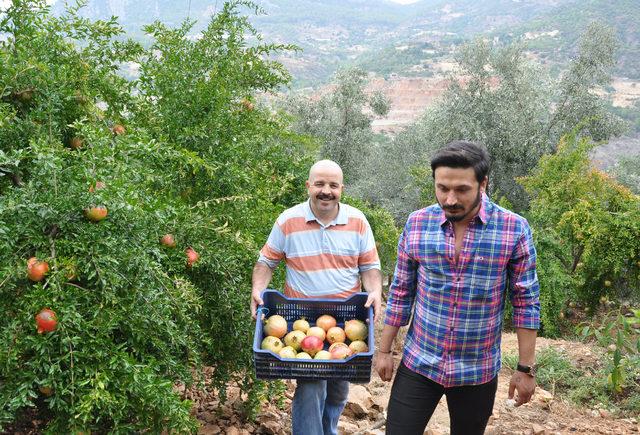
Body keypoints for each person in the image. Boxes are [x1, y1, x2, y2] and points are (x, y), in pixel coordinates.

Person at [375, 140, 540, 435]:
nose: (450, 199)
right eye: (442, 188)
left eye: (462, 189)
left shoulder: (514, 229)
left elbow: (525, 302)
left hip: (477, 370)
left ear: (483, 183)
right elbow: (401, 291)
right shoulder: (417, 224)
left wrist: (525, 368)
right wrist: (384, 350)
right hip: (419, 362)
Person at [251, 159, 383, 435]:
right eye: (320, 184)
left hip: (346, 322)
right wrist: (257, 289)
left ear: (342, 189)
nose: (326, 191)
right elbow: (266, 262)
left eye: (333, 185)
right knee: (311, 386)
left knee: (337, 391)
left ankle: (327, 430)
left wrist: (375, 291)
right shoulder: (288, 221)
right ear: (308, 186)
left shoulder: (358, 221)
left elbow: (370, 267)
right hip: (300, 319)